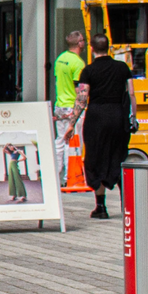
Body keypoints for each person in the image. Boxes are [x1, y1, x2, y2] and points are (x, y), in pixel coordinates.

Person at [77, 34, 134, 219]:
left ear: (92, 48)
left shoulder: (88, 71)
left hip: (96, 118)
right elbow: (131, 94)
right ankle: (127, 204)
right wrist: (133, 117)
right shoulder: (122, 68)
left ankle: (100, 207)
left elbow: (82, 98)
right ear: (108, 47)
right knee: (118, 156)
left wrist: (71, 122)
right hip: (118, 116)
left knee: (96, 158)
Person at [53, 30, 86, 181]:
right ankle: (70, 177)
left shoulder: (60, 59)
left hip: (60, 105)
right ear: (79, 43)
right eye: (83, 40)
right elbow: (79, 88)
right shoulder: (78, 63)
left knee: (60, 141)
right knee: (72, 144)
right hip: (73, 107)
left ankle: (56, 175)